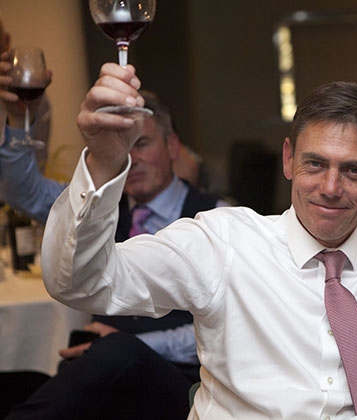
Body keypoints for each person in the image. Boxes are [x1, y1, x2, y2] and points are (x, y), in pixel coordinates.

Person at [41, 63, 357, 419]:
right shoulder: (223, 242)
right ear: (288, 159)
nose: (330, 187)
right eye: (314, 164)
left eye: (353, 170)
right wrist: (102, 165)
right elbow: (82, 283)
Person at [2, 85, 225, 419]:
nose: (130, 158)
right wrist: (20, 119)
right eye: (122, 147)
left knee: (118, 351)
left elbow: (231, 325)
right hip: (100, 370)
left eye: (142, 143)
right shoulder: (95, 207)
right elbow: (24, 192)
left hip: (178, 379)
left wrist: (135, 344)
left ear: (173, 146)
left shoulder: (217, 220)